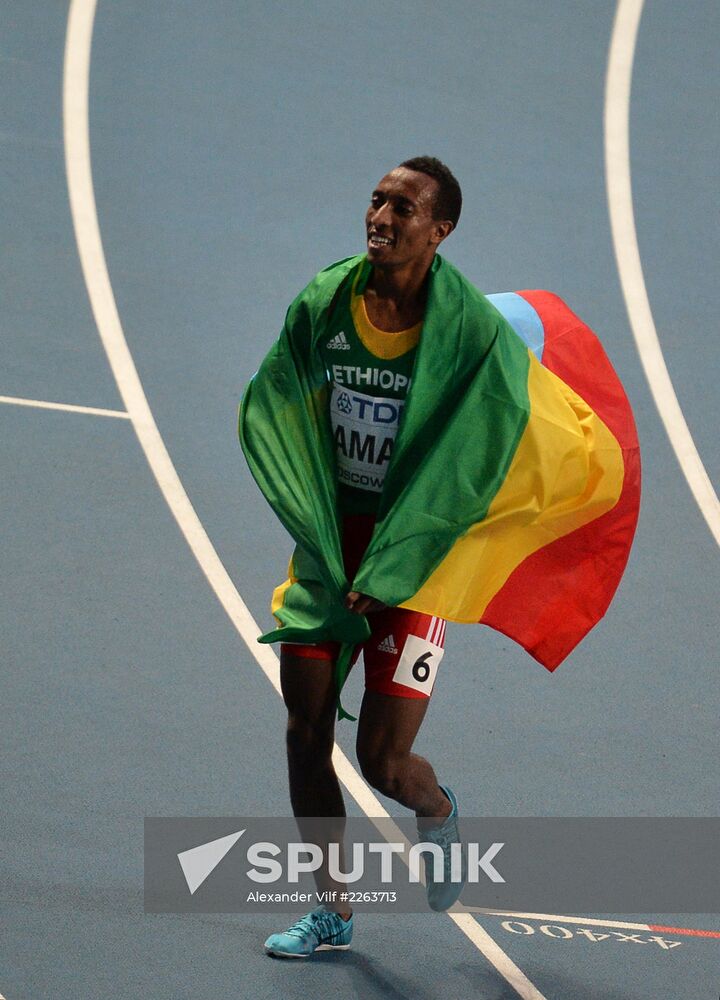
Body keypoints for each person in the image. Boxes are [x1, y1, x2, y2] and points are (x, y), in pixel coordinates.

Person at [256, 157, 466, 957]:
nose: (380, 215)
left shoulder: (463, 331)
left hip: (412, 567)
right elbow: (284, 403)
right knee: (305, 731)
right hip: (328, 554)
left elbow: (473, 457)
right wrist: (306, 510)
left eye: (402, 207)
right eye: (377, 199)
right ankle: (332, 911)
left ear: (438, 230)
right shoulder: (327, 301)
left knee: (382, 762)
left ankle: (438, 809)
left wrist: (402, 559)